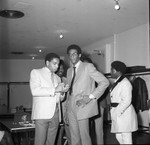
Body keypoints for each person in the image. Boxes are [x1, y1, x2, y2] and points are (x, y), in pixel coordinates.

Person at [66, 44, 109, 145]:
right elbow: (70, 91)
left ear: (79, 55)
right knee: (74, 137)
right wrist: (67, 110)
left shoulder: (87, 66)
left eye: (74, 54)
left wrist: (90, 97)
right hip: (71, 107)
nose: (72, 56)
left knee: (84, 137)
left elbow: (105, 82)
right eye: (70, 54)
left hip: (82, 105)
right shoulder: (69, 71)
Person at [29, 53, 69, 145]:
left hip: (55, 113)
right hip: (42, 114)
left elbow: (59, 98)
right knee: (40, 142)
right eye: (54, 63)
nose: (57, 66)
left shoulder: (57, 78)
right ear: (47, 63)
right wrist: (55, 89)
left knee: (51, 142)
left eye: (58, 64)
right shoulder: (36, 72)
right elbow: (35, 91)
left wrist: (63, 92)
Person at [82, 56, 109, 145]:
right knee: (86, 129)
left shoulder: (98, 75)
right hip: (87, 105)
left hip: (99, 104)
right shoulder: (81, 76)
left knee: (99, 129)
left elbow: (104, 89)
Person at [109, 60, 138, 144]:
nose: (111, 71)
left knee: (126, 137)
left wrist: (117, 112)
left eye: (112, 69)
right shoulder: (118, 82)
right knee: (118, 136)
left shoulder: (125, 83)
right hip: (118, 113)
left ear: (118, 71)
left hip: (124, 114)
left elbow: (127, 101)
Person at [56, 59, 71, 145]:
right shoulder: (51, 81)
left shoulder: (66, 80)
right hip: (56, 115)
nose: (61, 70)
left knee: (71, 137)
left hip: (67, 113)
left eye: (62, 68)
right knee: (57, 137)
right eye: (59, 68)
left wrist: (68, 113)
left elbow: (70, 98)